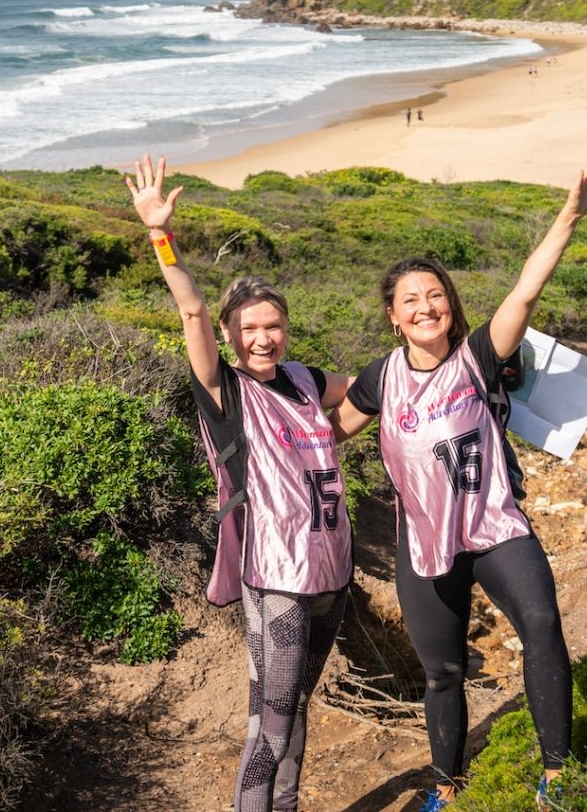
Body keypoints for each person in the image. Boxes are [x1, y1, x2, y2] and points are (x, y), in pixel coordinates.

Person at [334, 153, 587, 812]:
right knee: (444, 671)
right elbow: (327, 432)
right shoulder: (380, 377)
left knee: (540, 621)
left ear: (449, 305)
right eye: (410, 301)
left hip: (495, 529)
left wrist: (570, 215)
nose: (426, 307)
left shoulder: (478, 358)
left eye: (435, 295)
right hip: (425, 548)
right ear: (393, 318)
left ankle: (558, 773)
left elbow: (525, 293)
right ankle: (448, 786)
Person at [127, 153, 354, 812]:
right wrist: (159, 235)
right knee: (270, 726)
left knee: (298, 713)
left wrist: (448, 353)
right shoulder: (223, 390)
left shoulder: (307, 379)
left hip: (331, 571)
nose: (263, 339)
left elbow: (372, 392)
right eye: (249, 329)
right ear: (230, 337)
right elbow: (193, 313)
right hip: (275, 576)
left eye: (272, 326)